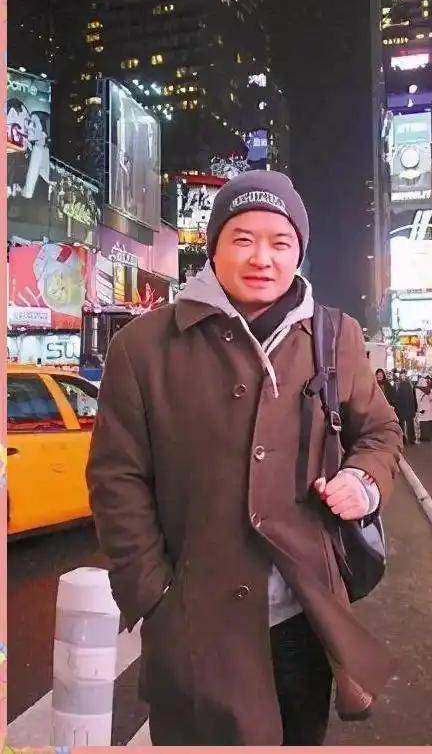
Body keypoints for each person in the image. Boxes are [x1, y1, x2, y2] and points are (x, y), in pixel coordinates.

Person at [86, 170, 403, 746]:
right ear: (214, 248)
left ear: (298, 252)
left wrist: (363, 480)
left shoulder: (336, 337)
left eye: (280, 242)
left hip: (303, 617)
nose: (262, 258)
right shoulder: (142, 347)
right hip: (194, 621)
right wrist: (153, 593)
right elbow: (117, 478)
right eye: (243, 239)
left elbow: (380, 431)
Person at [394, 369, 416, 445]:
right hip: (401, 407)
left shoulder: (408, 384)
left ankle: (411, 439)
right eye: (402, 374)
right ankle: (403, 439)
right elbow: (396, 396)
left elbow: (412, 397)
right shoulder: (397, 384)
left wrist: (413, 408)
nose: (403, 376)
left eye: (404, 374)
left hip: (408, 406)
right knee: (401, 425)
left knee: (410, 424)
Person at [415, 376, 432, 441]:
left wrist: (418, 408)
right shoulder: (429, 390)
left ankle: (423, 437)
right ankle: (428, 437)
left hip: (421, 409)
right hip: (428, 408)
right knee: (428, 423)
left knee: (422, 424)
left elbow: (417, 400)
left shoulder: (417, 390)